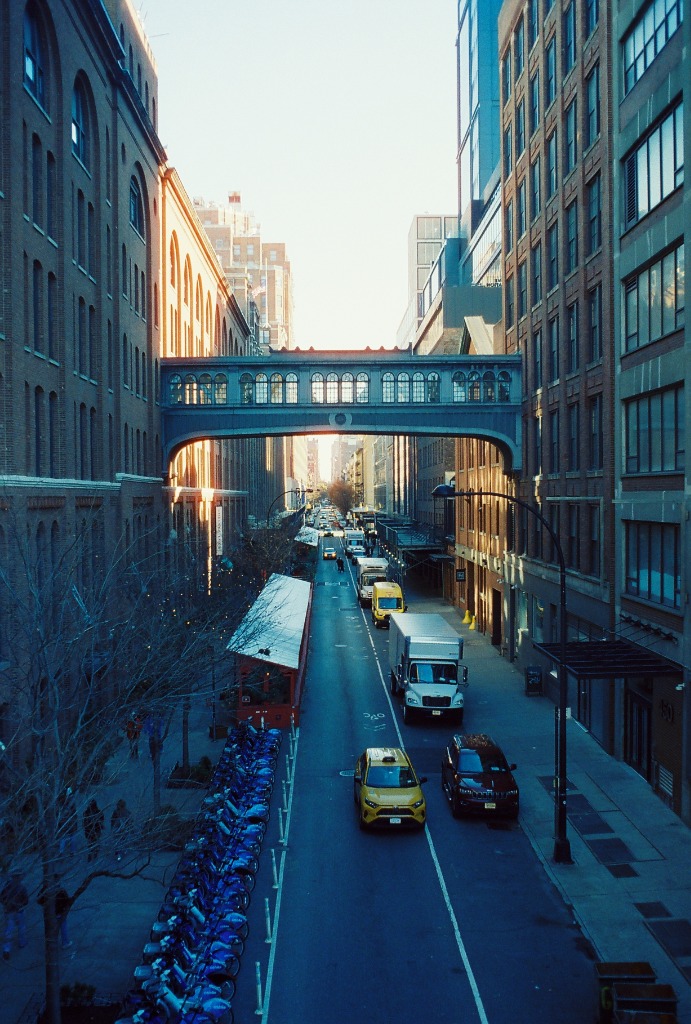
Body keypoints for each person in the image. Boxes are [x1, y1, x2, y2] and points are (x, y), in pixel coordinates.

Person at [37, 879, 72, 948]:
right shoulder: (61, 891)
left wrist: (45, 905)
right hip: (59, 913)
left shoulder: (45, 890)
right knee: (63, 927)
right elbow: (67, 902)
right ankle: (65, 943)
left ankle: (50, 943)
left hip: (49, 914)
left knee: (50, 928)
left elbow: (38, 900)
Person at [1, 871, 28, 960]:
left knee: (8, 930)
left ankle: (7, 949)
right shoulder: (22, 888)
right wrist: (19, 905)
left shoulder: (7, 887)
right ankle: (22, 943)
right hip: (19, 911)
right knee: (21, 927)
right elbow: (26, 901)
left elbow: (1, 898)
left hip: (8, 912)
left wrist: (6, 904)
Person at [57, 787, 78, 857]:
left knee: (64, 837)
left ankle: (62, 851)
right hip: (71, 823)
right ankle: (71, 851)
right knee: (72, 837)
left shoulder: (64, 802)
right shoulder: (71, 802)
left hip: (66, 822)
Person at [110, 798, 132, 862]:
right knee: (119, 842)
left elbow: (130, 820)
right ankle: (119, 854)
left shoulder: (126, 812)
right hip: (118, 829)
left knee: (122, 841)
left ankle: (121, 853)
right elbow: (113, 820)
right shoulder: (117, 812)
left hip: (123, 829)